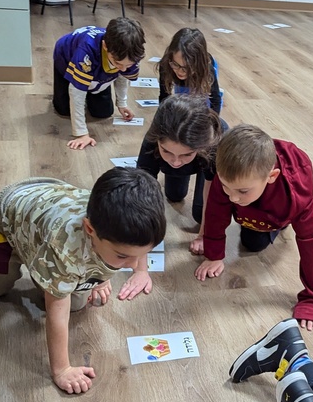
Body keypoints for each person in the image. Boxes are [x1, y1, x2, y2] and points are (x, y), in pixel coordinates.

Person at [0, 168, 165, 395]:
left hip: (46, 212)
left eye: (141, 255)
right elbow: (56, 311)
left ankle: (51, 266)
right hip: (9, 215)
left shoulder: (122, 226)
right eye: (124, 256)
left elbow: (135, 248)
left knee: (77, 303)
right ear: (90, 229)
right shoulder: (65, 249)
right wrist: (61, 369)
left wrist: (114, 276)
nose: (134, 264)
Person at [194, 124, 313, 330]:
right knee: (250, 238)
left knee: (255, 242)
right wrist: (214, 255)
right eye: (226, 186)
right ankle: (257, 209)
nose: (233, 197)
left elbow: (311, 241)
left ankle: (282, 222)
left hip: (280, 208)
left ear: (271, 177)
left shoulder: (297, 193)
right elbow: (215, 212)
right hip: (255, 206)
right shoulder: (230, 178)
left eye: (242, 191)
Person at [136, 94, 224, 252]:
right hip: (188, 158)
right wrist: (143, 241)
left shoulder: (214, 146)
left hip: (203, 160)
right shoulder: (152, 139)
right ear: (157, 142)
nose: (175, 161)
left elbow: (213, 196)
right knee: (174, 195)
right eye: (167, 151)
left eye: (185, 154)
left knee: (200, 213)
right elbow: (143, 191)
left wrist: (203, 235)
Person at [53, 18, 145, 150]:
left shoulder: (133, 54)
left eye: (128, 65)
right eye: (118, 63)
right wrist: (81, 134)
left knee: (103, 112)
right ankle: (85, 85)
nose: (124, 68)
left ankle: (91, 87)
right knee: (64, 109)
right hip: (66, 58)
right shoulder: (86, 51)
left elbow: (123, 76)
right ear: (105, 46)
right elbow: (76, 92)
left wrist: (122, 103)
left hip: (99, 71)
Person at [159, 27, 222, 113]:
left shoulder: (207, 68)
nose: (180, 71)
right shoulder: (166, 64)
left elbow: (215, 100)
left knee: (202, 103)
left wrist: (213, 124)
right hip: (183, 85)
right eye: (175, 64)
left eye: (186, 68)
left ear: (198, 64)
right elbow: (164, 97)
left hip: (200, 80)